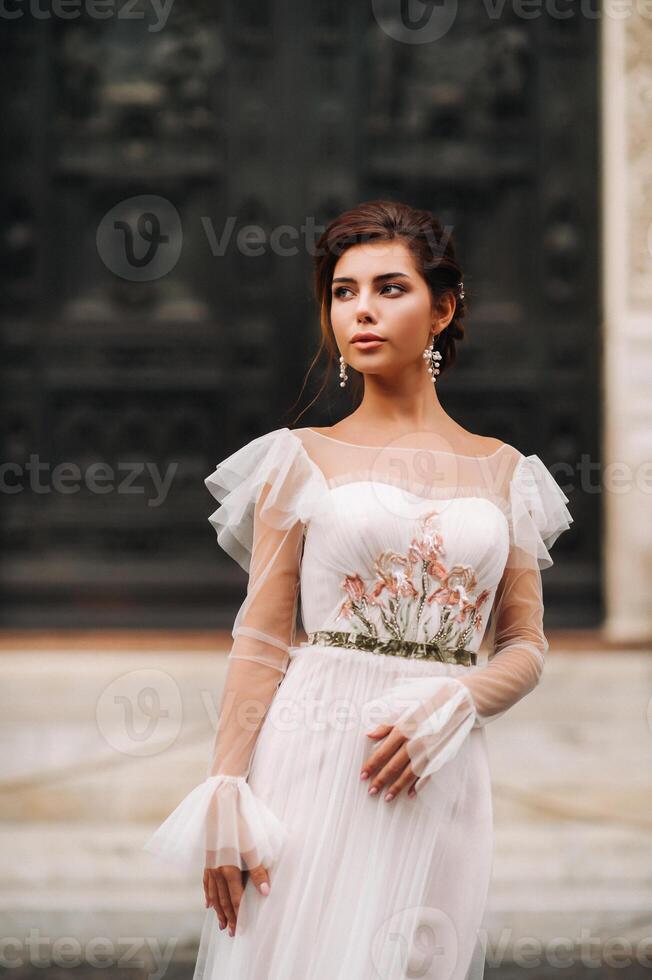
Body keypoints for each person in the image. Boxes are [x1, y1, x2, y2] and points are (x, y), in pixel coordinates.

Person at [143, 200, 573, 979]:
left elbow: (525, 645)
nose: (361, 311)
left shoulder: (506, 471)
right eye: (342, 292)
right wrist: (226, 793)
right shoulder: (298, 458)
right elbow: (263, 637)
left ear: (443, 308)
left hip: (438, 768)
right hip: (310, 750)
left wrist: (459, 700)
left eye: (389, 288)